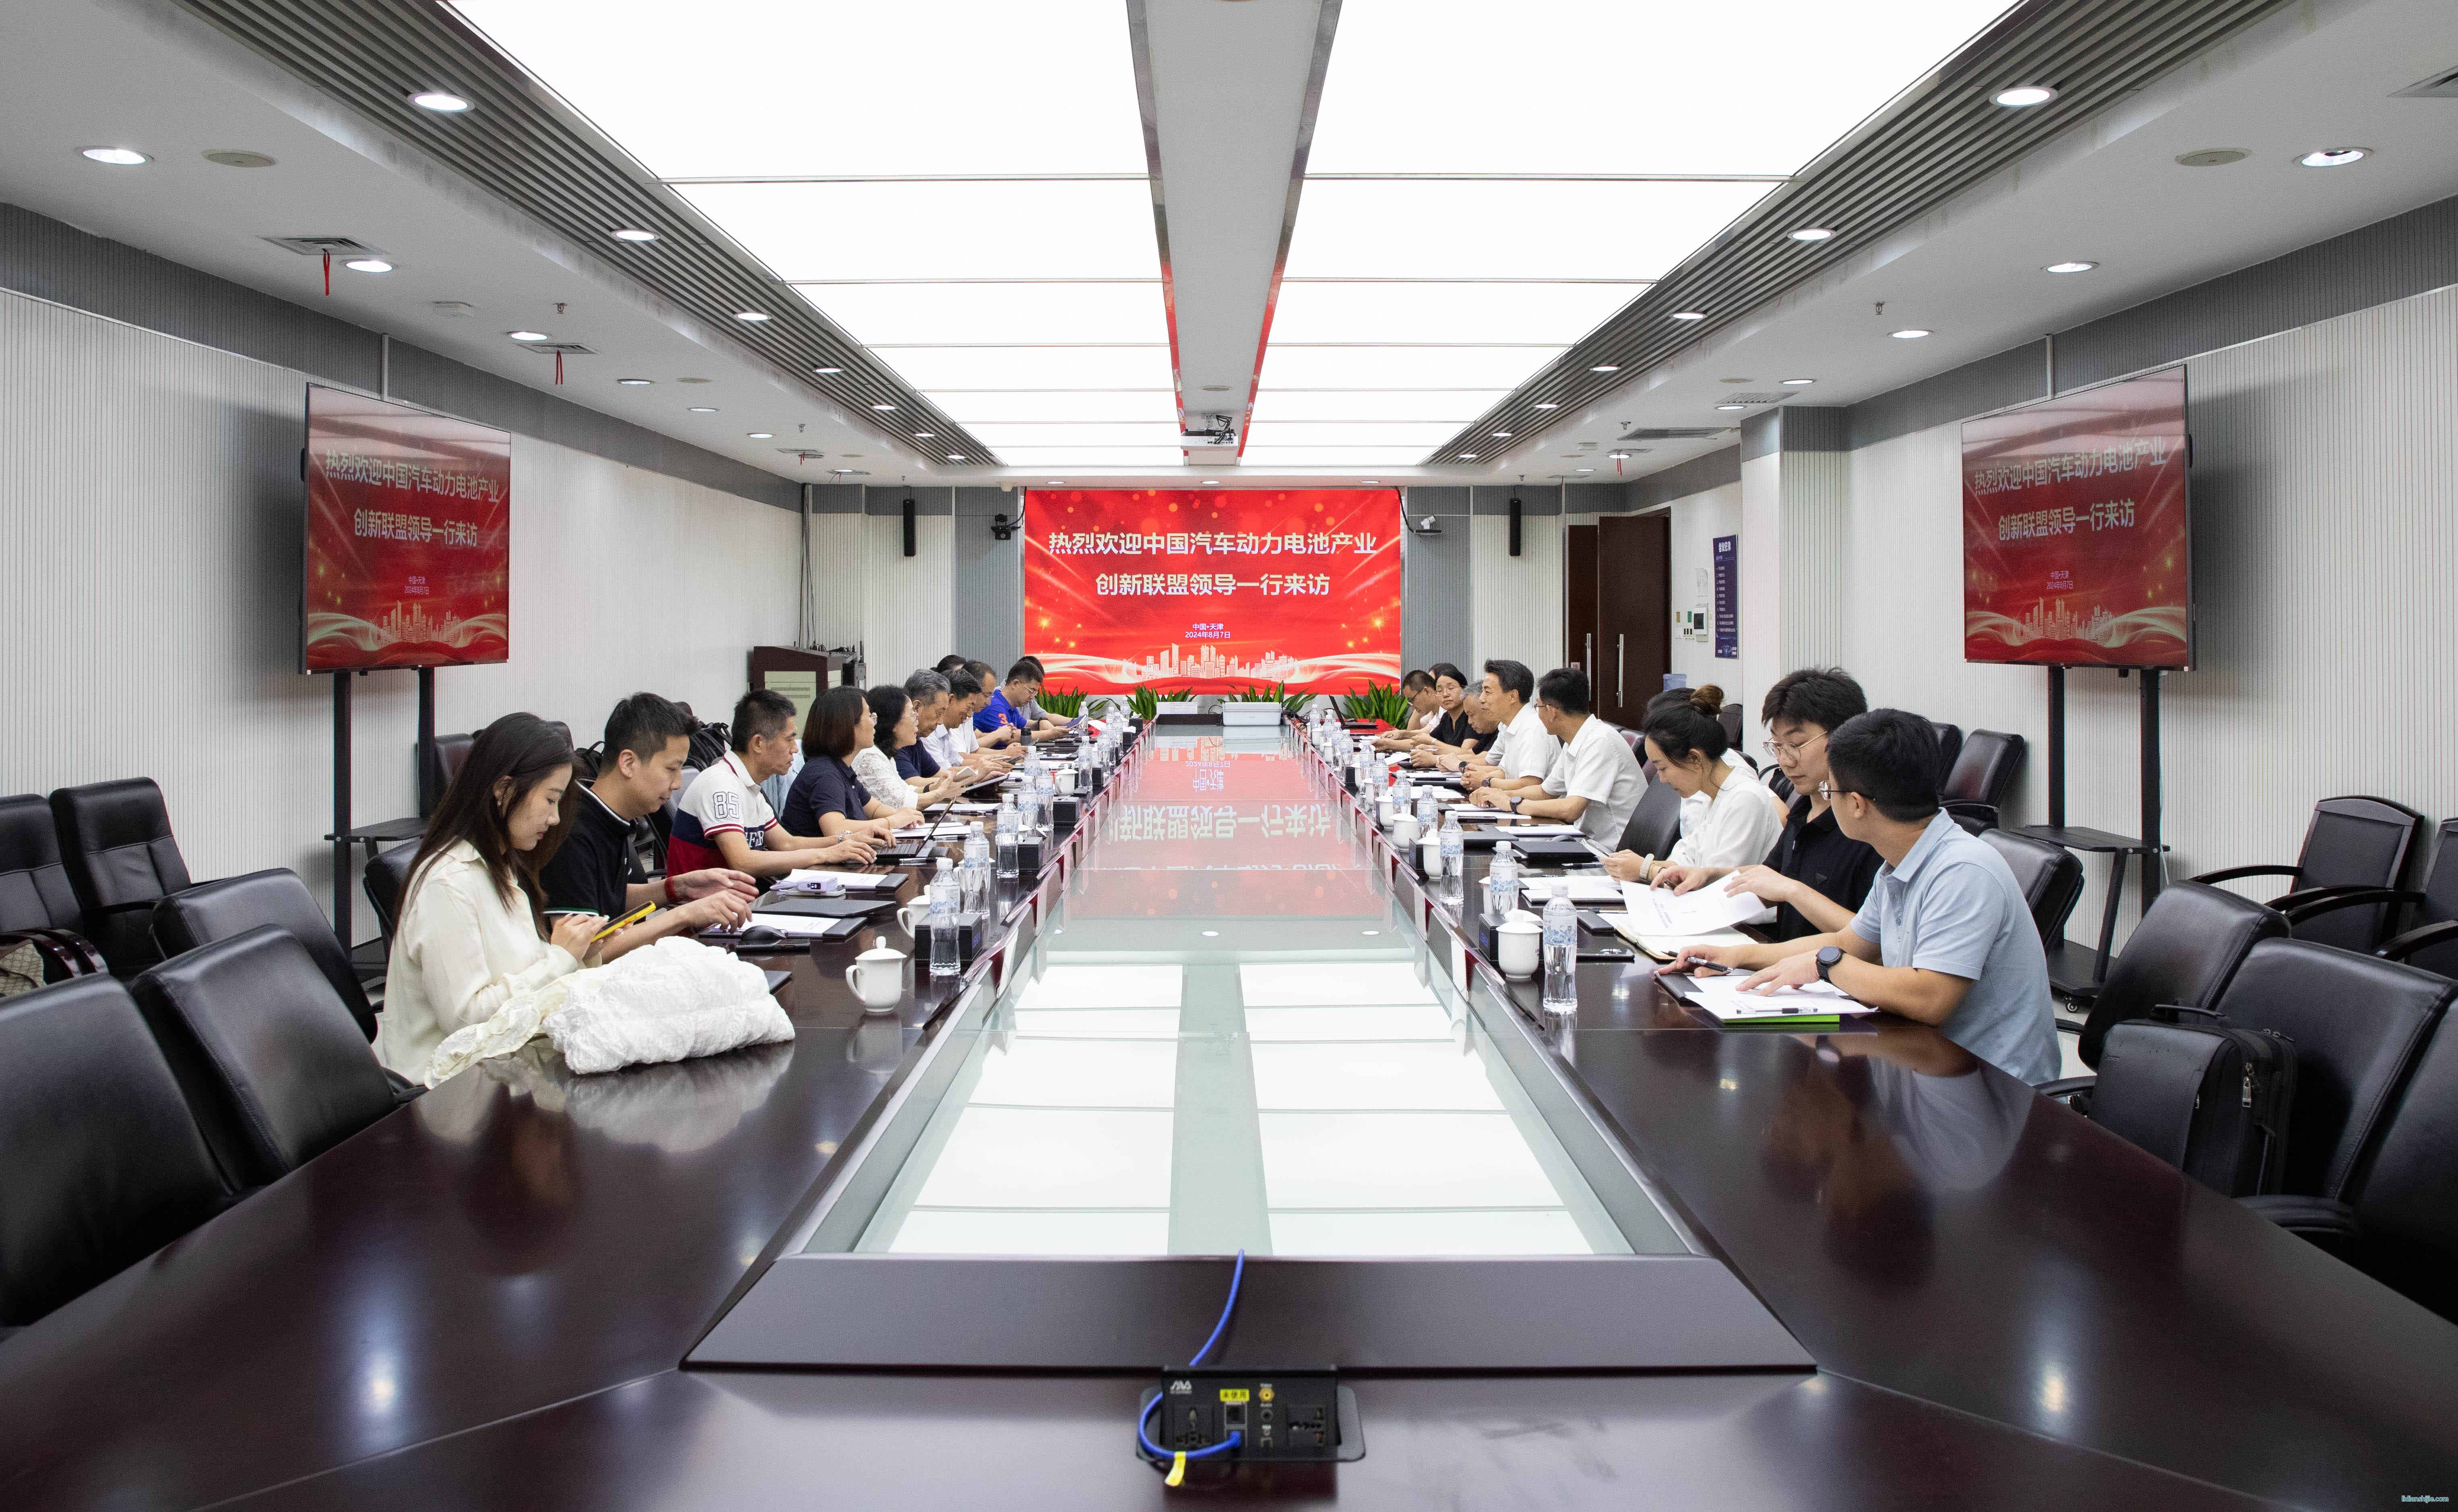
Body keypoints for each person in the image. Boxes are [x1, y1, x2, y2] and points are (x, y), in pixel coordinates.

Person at [1661, 710, 2061, 1085]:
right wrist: (1735, 956)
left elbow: (1930, 997)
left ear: (1855, 804)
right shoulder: (1902, 859)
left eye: (1830, 790)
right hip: (1925, 1063)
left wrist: (1826, 965)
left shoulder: (1963, 870)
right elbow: (1850, 942)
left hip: (1990, 1086)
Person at [376, 714, 601, 1081]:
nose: (555, 819)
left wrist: (579, 954)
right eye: (550, 800)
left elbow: (518, 974)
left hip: (503, 1066)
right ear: (505, 790)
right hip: (450, 1087)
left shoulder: (501, 865)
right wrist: (560, 958)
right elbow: (465, 1020)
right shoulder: (448, 884)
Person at [1652, 668, 1884, 940]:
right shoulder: (1804, 810)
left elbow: (1874, 941)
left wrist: (1793, 892)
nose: (1785, 760)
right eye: (1777, 745)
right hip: (1786, 959)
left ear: (1843, 738)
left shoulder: (1867, 825)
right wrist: (1709, 875)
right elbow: (1770, 877)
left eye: (1796, 744)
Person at [539, 693, 760, 960]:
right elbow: (586, 953)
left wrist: (680, 888)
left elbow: (609, 899)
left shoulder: (609, 816)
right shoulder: (572, 832)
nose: (678, 783)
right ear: (628, 763)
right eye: (672, 769)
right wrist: (684, 914)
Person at [669, 690, 883, 879]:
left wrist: (846, 840)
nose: (795, 749)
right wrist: (826, 854)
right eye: (789, 739)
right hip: (708, 910)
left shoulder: (749, 786)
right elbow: (742, 862)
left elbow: (786, 844)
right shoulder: (721, 784)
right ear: (759, 743)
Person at [1602, 686, 1783, 884]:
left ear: (1694, 759)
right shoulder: (1713, 795)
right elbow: (1686, 861)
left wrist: (1647, 870)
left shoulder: (1744, 799)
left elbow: (1717, 885)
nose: (1662, 780)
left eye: (1663, 768)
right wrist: (1638, 866)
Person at [1471, 667, 1644, 844]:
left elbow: (1571, 809)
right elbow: (1545, 792)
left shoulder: (1600, 741)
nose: (1537, 713)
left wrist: (1513, 804)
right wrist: (1499, 795)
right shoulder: (1576, 739)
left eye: (1538, 707)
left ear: (1552, 712)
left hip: (1612, 849)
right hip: (1588, 841)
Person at [785, 686, 925, 837]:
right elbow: (837, 829)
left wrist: (903, 816)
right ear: (848, 725)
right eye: (870, 716)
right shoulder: (824, 773)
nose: (875, 723)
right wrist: (893, 821)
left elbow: (875, 809)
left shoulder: (841, 767)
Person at [856, 684, 971, 810]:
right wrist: (940, 793)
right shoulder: (870, 756)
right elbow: (901, 803)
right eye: (913, 715)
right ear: (894, 723)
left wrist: (935, 787)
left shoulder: (886, 755)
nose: (917, 721)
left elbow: (906, 790)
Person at [1462, 658, 1560, 799]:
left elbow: (1530, 783)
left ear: (1513, 696)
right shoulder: (1508, 726)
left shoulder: (1532, 728)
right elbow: (1505, 773)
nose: (1482, 699)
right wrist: (1475, 775)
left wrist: (1486, 781)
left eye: (1487, 692)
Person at [974, 659, 1049, 745]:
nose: (1032, 697)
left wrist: (1040, 722)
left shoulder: (1010, 706)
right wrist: (1051, 734)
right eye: (1031, 691)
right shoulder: (995, 706)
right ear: (1015, 684)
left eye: (1035, 693)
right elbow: (1011, 737)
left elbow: (1025, 725)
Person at [1372, 669, 1440, 751]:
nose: (1412, 706)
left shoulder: (1447, 710)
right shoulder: (1437, 712)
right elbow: (1427, 732)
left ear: (1427, 691)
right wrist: (1402, 734)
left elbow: (1428, 741)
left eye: (1412, 700)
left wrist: (1387, 744)